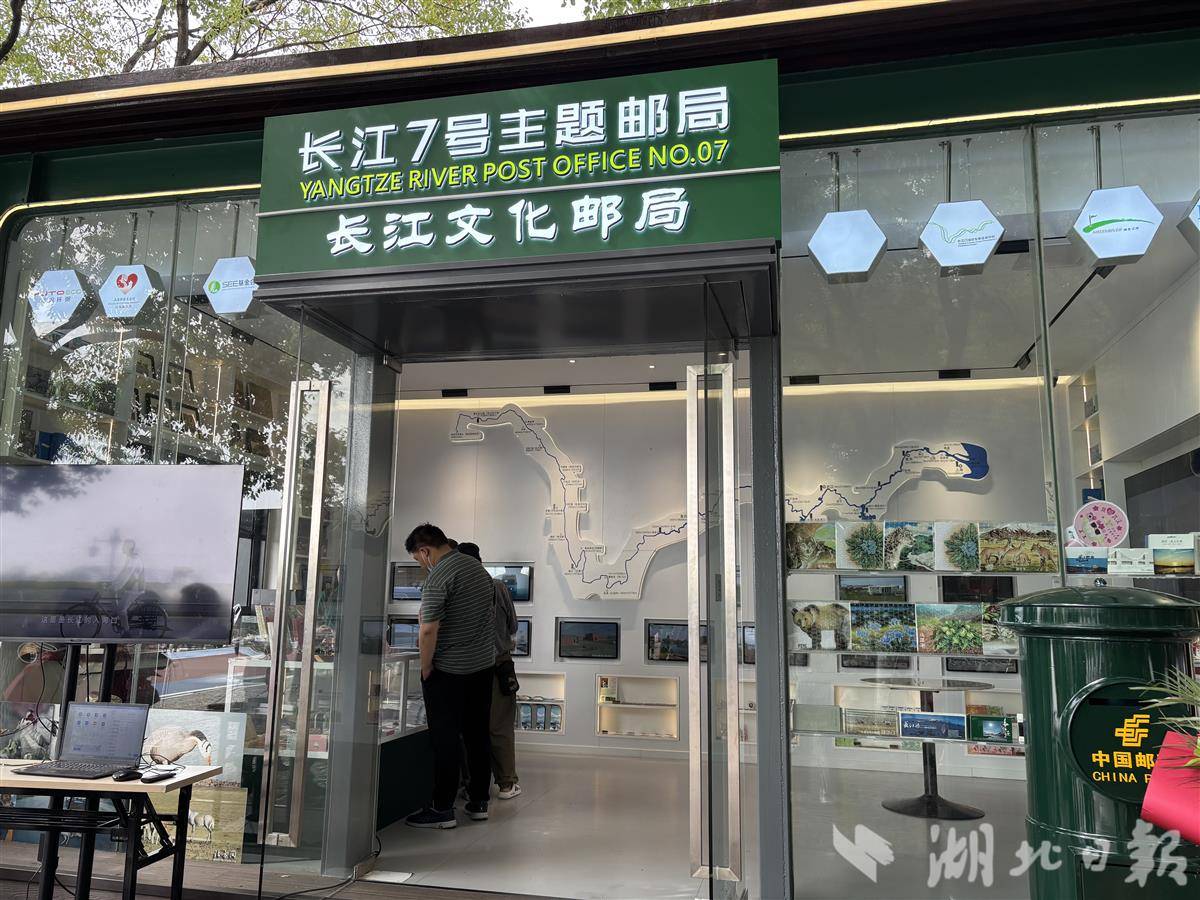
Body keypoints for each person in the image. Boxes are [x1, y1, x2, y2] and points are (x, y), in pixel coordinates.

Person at [404, 523, 497, 830]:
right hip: (482, 667)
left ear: (424, 551)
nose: (422, 565)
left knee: (445, 740)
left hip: (449, 671)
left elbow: (428, 629)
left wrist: (425, 667)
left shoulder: (439, 576)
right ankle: (479, 801)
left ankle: (442, 808)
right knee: (477, 736)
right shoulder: (477, 569)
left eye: (418, 559)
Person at [457, 542, 521, 799]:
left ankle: (471, 786)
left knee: (468, 728)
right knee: (500, 726)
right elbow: (513, 626)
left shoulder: (455, 588)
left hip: (465, 668)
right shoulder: (498, 587)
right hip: (498, 665)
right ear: (480, 560)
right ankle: (506, 783)